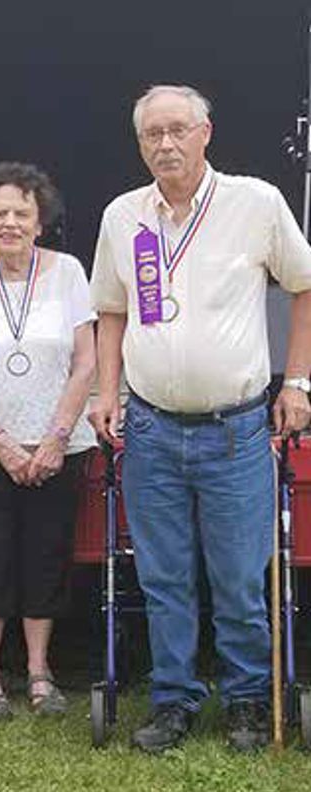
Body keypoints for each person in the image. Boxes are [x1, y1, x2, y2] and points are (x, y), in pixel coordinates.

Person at [89, 84, 311, 752]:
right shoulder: (123, 216)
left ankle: (246, 699)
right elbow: (110, 312)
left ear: (205, 132)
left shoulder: (256, 202)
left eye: (177, 130)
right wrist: (108, 392)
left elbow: (304, 286)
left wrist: (298, 380)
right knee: (162, 574)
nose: (166, 144)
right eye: (153, 134)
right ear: (140, 145)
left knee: (241, 575)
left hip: (237, 428)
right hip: (152, 428)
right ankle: (174, 700)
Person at [0, 162, 96, 720]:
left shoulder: (69, 272)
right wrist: (4, 442)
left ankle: (37, 669)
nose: (10, 223)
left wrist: (55, 437)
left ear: (40, 221)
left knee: (47, 554)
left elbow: (86, 364)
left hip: (59, 444)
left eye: (21, 213)